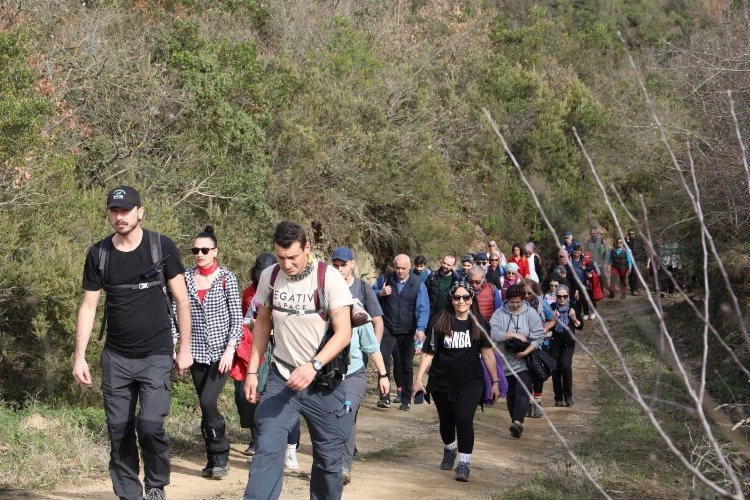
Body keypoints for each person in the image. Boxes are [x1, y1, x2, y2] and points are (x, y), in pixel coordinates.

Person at [73, 185, 192, 500]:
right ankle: (129, 494)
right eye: (114, 210)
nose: (119, 216)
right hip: (116, 358)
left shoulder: (160, 247)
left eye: (126, 210)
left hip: (156, 354)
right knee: (119, 431)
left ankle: (155, 484)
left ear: (140, 211)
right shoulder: (99, 254)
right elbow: (88, 306)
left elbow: (182, 300)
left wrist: (185, 348)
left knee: (150, 425)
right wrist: (79, 356)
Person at [242, 221, 354, 500]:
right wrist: (252, 373)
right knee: (266, 448)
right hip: (283, 378)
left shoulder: (328, 278)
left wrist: (313, 365)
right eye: (281, 257)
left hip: (323, 382)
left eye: (292, 257)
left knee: (329, 461)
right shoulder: (270, 276)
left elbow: (344, 333)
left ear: (307, 248)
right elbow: (262, 324)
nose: (287, 264)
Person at [413, 281, 500, 482]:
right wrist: (418, 379)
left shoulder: (479, 323)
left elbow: (487, 354)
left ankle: (464, 463)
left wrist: (495, 381)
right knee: (446, 422)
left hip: (470, 381)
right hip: (441, 380)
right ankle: (450, 448)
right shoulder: (440, 322)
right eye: (457, 297)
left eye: (466, 297)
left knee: (463, 418)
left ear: (471, 300)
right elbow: (428, 353)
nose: (461, 301)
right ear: (451, 300)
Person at [185, 226, 243, 479]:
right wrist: (178, 343)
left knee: (208, 402)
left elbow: (237, 318)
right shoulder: (185, 278)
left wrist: (231, 348)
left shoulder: (226, 278)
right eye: (195, 250)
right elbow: (176, 312)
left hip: (222, 352)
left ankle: (221, 453)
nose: (199, 254)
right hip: (196, 351)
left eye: (204, 250)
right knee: (206, 405)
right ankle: (214, 461)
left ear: (215, 251)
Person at [373, 254, 430, 411]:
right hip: (388, 328)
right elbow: (370, 296)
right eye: (397, 268)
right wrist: (380, 294)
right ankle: (384, 398)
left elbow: (423, 308)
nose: (400, 271)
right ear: (394, 266)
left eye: (403, 268)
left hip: (407, 331)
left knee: (405, 364)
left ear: (409, 267)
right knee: (383, 361)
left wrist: (420, 329)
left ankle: (406, 399)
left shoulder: (418, 284)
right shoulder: (384, 279)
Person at [234, 252, 277, 457]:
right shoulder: (248, 294)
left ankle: (270, 438)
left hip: (278, 347)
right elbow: (244, 320)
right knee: (250, 392)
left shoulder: (282, 291)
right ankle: (254, 436)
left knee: (270, 391)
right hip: (254, 345)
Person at [490, 284, 544, 439]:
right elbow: (493, 334)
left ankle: (518, 423)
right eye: (512, 302)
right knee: (511, 394)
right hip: (504, 362)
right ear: (507, 301)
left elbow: (539, 335)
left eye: (518, 302)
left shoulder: (531, 313)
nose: (515, 305)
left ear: (522, 300)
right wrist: (511, 335)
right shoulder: (499, 313)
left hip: (524, 362)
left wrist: (525, 351)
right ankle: (515, 421)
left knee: (523, 391)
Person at [521, 280, 556, 418]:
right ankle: (528, 403)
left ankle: (537, 403)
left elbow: (553, 319)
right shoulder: (517, 304)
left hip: (541, 345)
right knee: (526, 374)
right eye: (523, 293)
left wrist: (545, 328)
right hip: (523, 345)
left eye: (529, 293)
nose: (526, 295)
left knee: (538, 375)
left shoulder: (542, 304)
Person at [549, 284, 584, 407]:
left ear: (568, 296)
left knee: (565, 366)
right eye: (559, 296)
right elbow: (546, 326)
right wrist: (553, 320)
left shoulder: (573, 307)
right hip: (554, 342)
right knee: (555, 369)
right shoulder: (552, 307)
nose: (562, 298)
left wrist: (574, 318)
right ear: (556, 297)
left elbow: (580, 326)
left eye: (565, 296)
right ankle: (558, 397)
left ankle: (568, 396)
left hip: (568, 343)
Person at [426, 254, 459, 322]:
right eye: (444, 263)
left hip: (448, 315)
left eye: (448, 265)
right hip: (432, 314)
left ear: (453, 266)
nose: (445, 266)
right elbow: (424, 294)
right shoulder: (432, 276)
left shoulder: (457, 280)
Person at [586, 227, 609, 293]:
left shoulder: (602, 241)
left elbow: (606, 252)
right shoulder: (589, 242)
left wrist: (606, 263)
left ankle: (608, 291)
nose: (592, 234)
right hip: (591, 264)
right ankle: (596, 292)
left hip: (600, 264)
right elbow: (587, 252)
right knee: (592, 278)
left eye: (594, 233)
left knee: (601, 278)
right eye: (591, 233)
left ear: (597, 233)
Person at [625, 229, 647, 295]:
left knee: (636, 274)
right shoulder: (625, 241)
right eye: (629, 234)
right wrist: (627, 241)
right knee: (631, 274)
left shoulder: (639, 241)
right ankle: (632, 289)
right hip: (629, 260)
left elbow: (644, 250)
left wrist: (645, 259)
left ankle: (636, 289)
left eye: (632, 234)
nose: (631, 235)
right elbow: (622, 248)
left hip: (637, 259)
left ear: (634, 234)